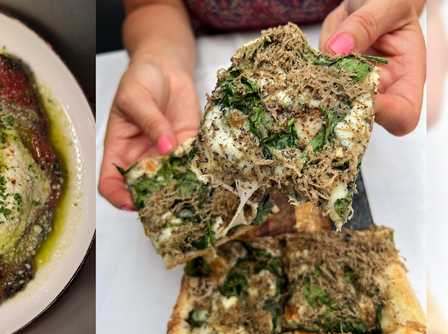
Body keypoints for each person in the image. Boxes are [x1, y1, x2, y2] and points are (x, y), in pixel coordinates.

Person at [98, 0, 426, 210]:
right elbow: (151, 5)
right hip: (202, 64)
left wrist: (392, 9)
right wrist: (160, 59)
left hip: (353, 59)